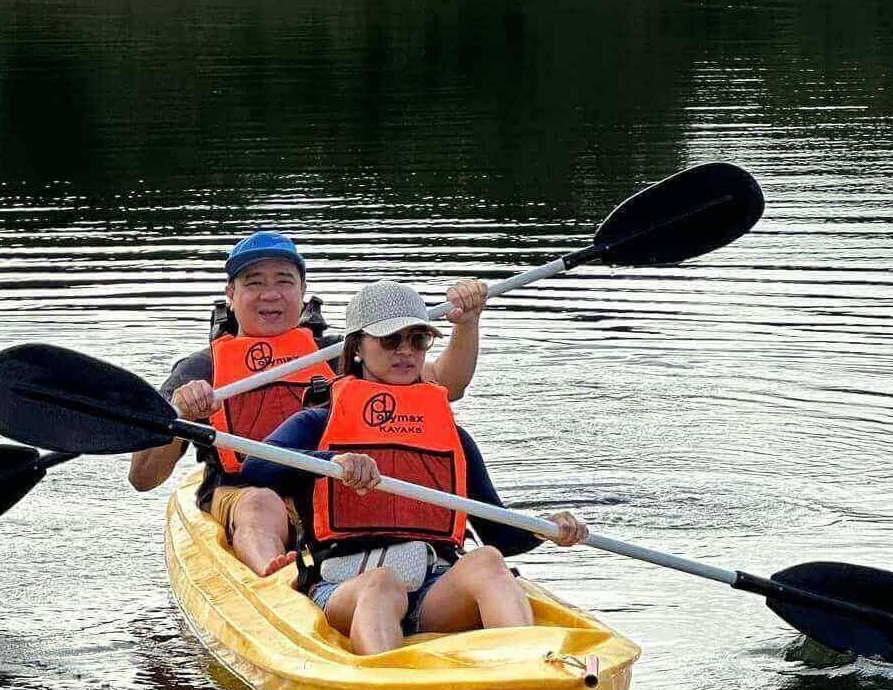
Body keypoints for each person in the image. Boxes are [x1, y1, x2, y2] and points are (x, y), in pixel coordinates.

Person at [238, 279, 587, 653]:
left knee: (487, 561)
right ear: (357, 347)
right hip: (345, 589)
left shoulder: (452, 436)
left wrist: (548, 530)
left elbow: (498, 534)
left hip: (432, 590)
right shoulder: (317, 423)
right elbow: (255, 468)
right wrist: (331, 462)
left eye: (417, 340)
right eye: (390, 340)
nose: (405, 352)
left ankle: (529, 671)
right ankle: (383, 686)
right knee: (382, 584)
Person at [129, 233, 490, 579]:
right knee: (261, 503)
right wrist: (180, 413)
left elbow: (447, 382)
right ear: (231, 294)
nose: (270, 294)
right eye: (254, 282)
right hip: (243, 491)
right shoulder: (199, 369)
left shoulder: (336, 355)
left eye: (284, 281)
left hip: (336, 493)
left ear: (302, 293)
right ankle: (277, 580)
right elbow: (143, 478)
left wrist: (467, 325)